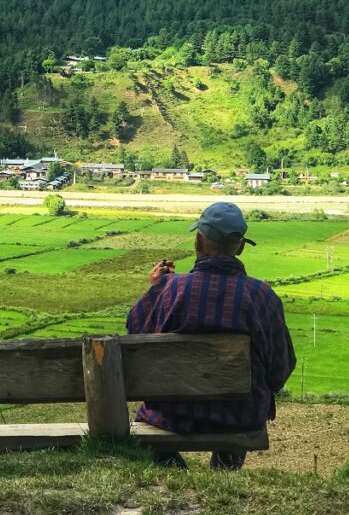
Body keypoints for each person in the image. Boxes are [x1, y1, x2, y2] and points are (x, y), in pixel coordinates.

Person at [126, 201, 296, 470]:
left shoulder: (169, 289)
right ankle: (225, 470)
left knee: (150, 436)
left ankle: (175, 473)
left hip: (170, 414)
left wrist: (159, 286)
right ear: (240, 247)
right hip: (239, 416)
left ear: (198, 242)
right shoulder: (262, 297)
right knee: (238, 411)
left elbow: (136, 336)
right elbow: (279, 369)